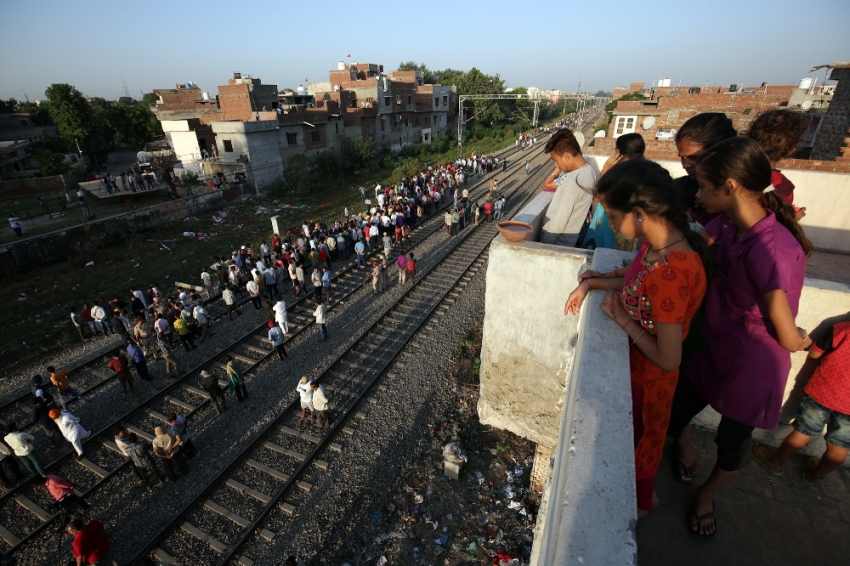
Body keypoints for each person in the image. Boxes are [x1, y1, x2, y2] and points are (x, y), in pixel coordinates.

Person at [666, 137, 813, 537]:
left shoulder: (770, 249)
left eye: (704, 186)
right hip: (718, 340)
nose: (697, 193)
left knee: (733, 442)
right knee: (679, 409)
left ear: (729, 187)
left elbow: (785, 336)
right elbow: (700, 247)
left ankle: (707, 495)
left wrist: (803, 340)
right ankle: (680, 445)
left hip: (752, 360)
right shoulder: (733, 220)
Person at [564, 159, 708, 518]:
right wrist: (591, 283)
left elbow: (669, 357)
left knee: (638, 453)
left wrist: (623, 319)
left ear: (640, 213)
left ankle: (640, 510)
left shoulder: (671, 273)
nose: (611, 225)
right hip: (634, 375)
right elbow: (634, 278)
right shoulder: (656, 248)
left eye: (613, 217)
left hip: (648, 386)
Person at [751, 317, 850, 485]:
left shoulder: (841, 329)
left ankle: (776, 462)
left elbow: (814, 353)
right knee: (840, 445)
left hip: (823, 392)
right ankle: (816, 476)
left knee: (804, 432)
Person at [673, 112, 737, 226]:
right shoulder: (679, 189)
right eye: (682, 158)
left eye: (694, 157)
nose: (685, 165)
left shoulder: (743, 196)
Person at [744, 109, 807, 220]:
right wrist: (791, 219)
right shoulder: (784, 186)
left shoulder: (733, 167)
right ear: (791, 150)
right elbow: (773, 221)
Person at [540, 129, 597, 247]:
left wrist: (544, 245)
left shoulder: (573, 180)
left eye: (556, 160)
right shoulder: (589, 171)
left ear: (566, 157)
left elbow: (559, 220)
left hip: (556, 245)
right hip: (570, 242)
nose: (557, 165)